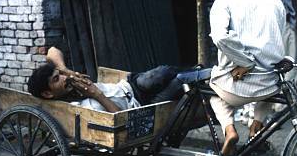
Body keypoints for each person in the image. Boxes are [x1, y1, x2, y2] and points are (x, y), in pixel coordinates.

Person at [209, 0, 287, 156]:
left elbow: (220, 37)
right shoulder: (275, 4)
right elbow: (276, 45)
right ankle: (256, 124)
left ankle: (229, 130)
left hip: (236, 89)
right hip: (270, 85)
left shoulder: (223, 3)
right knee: (267, 85)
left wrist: (246, 63)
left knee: (212, 92)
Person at [27, 47, 183, 113]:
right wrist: (97, 95)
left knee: (160, 74)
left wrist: (64, 70)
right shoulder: (75, 110)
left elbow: (52, 51)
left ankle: (197, 71)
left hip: (132, 86)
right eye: (56, 79)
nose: (63, 78)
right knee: (179, 82)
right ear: (48, 94)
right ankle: (202, 74)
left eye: (59, 74)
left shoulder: (71, 82)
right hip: (142, 108)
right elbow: (122, 122)